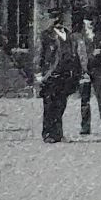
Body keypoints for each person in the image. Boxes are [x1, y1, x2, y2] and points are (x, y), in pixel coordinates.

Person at [36, 11, 82, 143]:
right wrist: (39, 73)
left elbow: (75, 54)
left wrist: (78, 72)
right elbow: (39, 54)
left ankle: (58, 134)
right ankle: (48, 133)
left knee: (61, 104)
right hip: (51, 74)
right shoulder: (45, 36)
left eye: (60, 18)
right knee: (49, 104)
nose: (57, 21)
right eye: (54, 18)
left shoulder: (69, 35)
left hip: (66, 75)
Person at [75, 11, 101, 136]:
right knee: (84, 100)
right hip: (84, 71)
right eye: (88, 20)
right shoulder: (78, 36)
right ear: (83, 22)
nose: (90, 23)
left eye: (92, 20)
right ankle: (85, 127)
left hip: (98, 70)